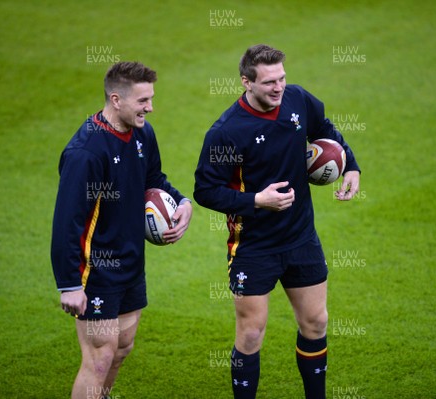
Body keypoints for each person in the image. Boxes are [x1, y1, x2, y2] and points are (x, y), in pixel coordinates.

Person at [194, 44, 361, 399]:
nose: (279, 87)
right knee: (251, 333)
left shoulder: (297, 100)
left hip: (301, 239)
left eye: (282, 78)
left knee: (316, 322)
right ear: (246, 82)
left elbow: (324, 129)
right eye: (269, 82)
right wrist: (256, 200)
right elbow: (206, 190)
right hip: (253, 247)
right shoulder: (226, 132)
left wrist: (352, 164)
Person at [51, 61, 192, 399]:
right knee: (98, 358)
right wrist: (70, 283)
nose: (150, 108)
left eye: (151, 98)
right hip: (96, 271)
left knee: (122, 348)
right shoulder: (87, 152)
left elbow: (153, 179)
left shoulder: (142, 132)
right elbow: (67, 222)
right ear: (116, 100)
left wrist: (181, 202)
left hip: (131, 263)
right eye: (143, 101)